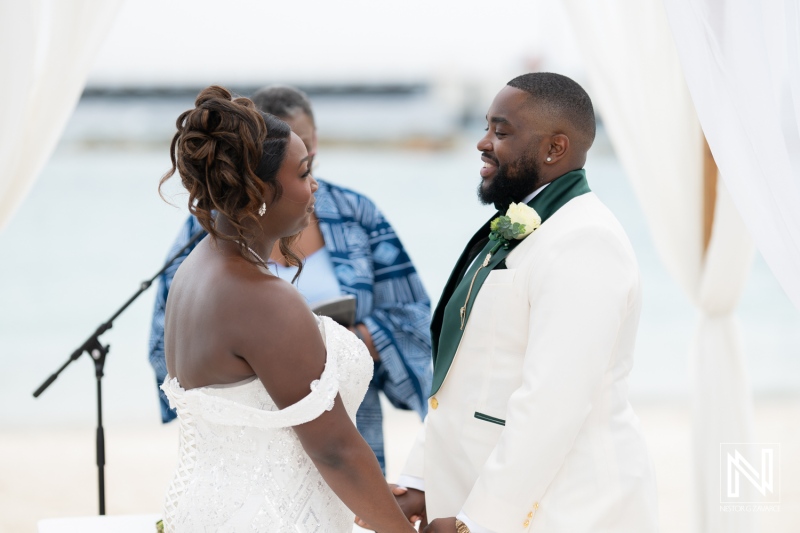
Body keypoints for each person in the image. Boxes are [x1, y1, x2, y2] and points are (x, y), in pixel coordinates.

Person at [391, 73, 659, 532]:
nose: (482, 143)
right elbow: (465, 375)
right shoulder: (526, 227)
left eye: (501, 131)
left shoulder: (585, 240)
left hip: (569, 509)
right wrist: (420, 480)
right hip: (483, 493)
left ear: (555, 148)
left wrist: (476, 522)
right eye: (486, 128)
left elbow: (553, 404)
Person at [158, 85, 416, 532]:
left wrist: (373, 495)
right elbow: (334, 450)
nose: (315, 185)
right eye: (303, 173)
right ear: (260, 188)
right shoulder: (262, 297)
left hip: (213, 509)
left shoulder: (195, 268)